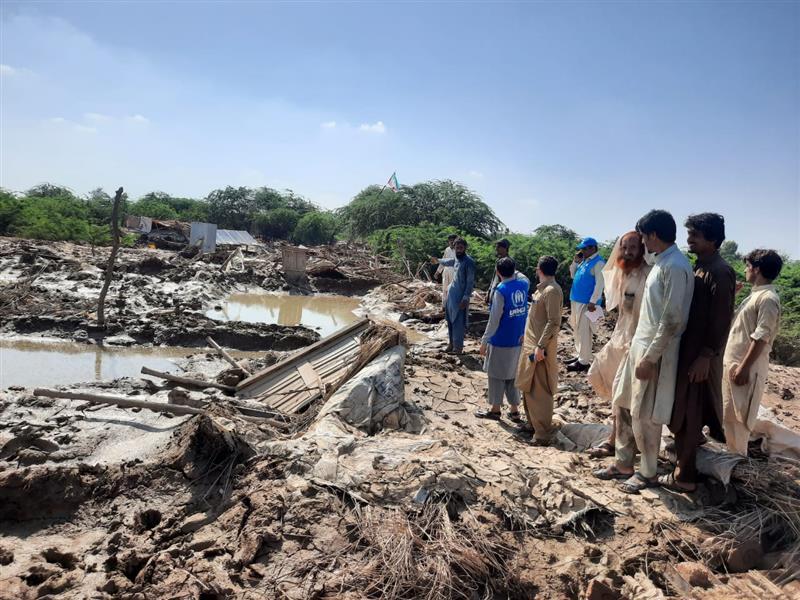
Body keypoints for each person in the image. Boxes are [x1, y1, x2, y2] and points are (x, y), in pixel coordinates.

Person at [594, 210, 694, 494]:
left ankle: (648, 472)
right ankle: (623, 463)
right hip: (638, 345)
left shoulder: (674, 267)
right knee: (623, 403)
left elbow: (672, 320)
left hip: (654, 353)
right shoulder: (661, 263)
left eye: (644, 237)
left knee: (645, 415)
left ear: (652, 235)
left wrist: (650, 359)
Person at [660, 214, 735, 492]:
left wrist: (706, 355)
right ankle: (686, 459)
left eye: (696, 235)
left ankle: (685, 477)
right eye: (689, 233)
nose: (689, 239)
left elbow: (721, 318)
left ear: (713, 240)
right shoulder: (700, 266)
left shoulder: (720, 270)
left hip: (698, 356)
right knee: (685, 409)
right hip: (688, 350)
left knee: (689, 412)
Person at [586, 231, 651, 458]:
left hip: (638, 344)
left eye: (632, 247)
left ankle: (621, 444)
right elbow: (620, 310)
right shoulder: (624, 274)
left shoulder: (649, 275)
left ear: (643, 248)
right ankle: (618, 440)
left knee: (626, 398)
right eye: (624, 247)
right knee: (611, 387)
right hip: (620, 339)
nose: (627, 251)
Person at [722, 249, 783, 455]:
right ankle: (730, 466)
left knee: (739, 421)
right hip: (735, 366)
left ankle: (734, 469)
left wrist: (743, 368)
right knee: (729, 417)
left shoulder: (767, 298)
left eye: (748, 266)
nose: (745, 270)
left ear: (756, 269)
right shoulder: (754, 296)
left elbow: (761, 337)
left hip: (745, 369)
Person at [515, 255, 563, 446]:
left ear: (539, 270)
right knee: (528, 385)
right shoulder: (542, 290)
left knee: (540, 390)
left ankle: (542, 433)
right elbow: (536, 319)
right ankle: (532, 424)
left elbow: (554, 322)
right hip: (531, 344)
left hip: (540, 349)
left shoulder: (552, 291)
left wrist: (541, 346)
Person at [476, 257, 530, 421]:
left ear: (498, 272)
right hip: (518, 338)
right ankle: (514, 410)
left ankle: (495, 410)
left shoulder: (501, 290)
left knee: (496, 375)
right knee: (512, 375)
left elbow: (494, 319)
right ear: (514, 271)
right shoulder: (523, 285)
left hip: (501, 339)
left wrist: (485, 341)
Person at [431, 238, 476, 355]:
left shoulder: (469, 262)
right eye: (457, 248)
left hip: (460, 298)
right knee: (450, 320)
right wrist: (438, 260)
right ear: (454, 248)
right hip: (451, 296)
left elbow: (470, 282)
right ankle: (451, 344)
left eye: (461, 248)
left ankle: (458, 348)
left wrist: (466, 298)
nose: (459, 250)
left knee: (458, 322)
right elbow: (449, 261)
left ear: (465, 248)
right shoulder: (456, 258)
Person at [567, 237, 606, 372]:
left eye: (584, 248)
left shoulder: (598, 263)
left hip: (587, 303)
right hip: (576, 299)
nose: (582, 251)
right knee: (577, 328)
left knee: (585, 331)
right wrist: (575, 261)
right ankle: (579, 355)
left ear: (592, 248)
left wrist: (593, 301)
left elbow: (600, 284)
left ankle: (583, 361)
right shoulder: (584, 262)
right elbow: (573, 275)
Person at [486, 239, 511, 305]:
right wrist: (489, 291)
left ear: (505, 248)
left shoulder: (509, 263)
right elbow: (494, 277)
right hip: (494, 291)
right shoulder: (498, 261)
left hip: (502, 294)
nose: (496, 249)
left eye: (498, 247)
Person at [435, 234, 458, 307]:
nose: (451, 242)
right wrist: (438, 272)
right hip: (446, 271)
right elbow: (443, 261)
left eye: (453, 241)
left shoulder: (458, 250)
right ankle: (444, 306)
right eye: (450, 241)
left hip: (455, 272)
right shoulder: (447, 249)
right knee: (444, 288)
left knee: (453, 289)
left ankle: (453, 305)